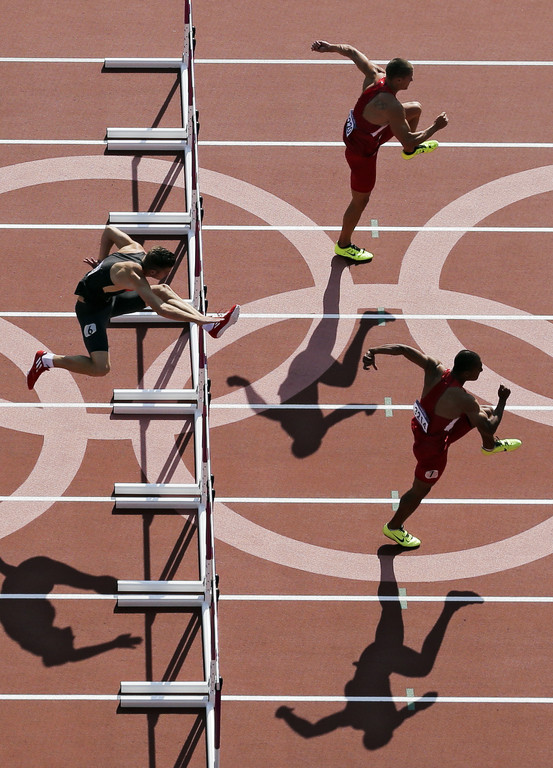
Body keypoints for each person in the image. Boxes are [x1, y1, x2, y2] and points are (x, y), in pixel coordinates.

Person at [26, 224, 240, 389]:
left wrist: (101, 261)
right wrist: (200, 319)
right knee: (100, 368)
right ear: (153, 271)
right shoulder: (134, 276)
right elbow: (160, 309)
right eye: (165, 272)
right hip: (91, 311)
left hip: (110, 300)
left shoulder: (135, 249)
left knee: (163, 289)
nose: (166, 275)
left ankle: (210, 326)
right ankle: (46, 360)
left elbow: (109, 231)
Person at [362, 345, 521, 547]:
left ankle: (490, 447)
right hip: (432, 450)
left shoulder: (434, 368)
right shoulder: (465, 400)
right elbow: (489, 427)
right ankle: (393, 527)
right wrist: (502, 401)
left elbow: (403, 349)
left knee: (486, 412)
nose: (482, 370)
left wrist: (373, 351)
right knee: (420, 490)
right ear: (467, 373)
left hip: (427, 430)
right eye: (479, 368)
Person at [311, 40, 449, 263]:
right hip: (362, 154)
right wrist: (435, 127)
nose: (412, 80)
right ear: (398, 80)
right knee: (360, 201)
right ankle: (343, 245)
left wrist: (330, 47)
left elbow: (351, 51)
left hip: (363, 130)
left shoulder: (376, 74)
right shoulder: (392, 107)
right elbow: (409, 137)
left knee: (415, 109)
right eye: (410, 77)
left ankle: (409, 152)